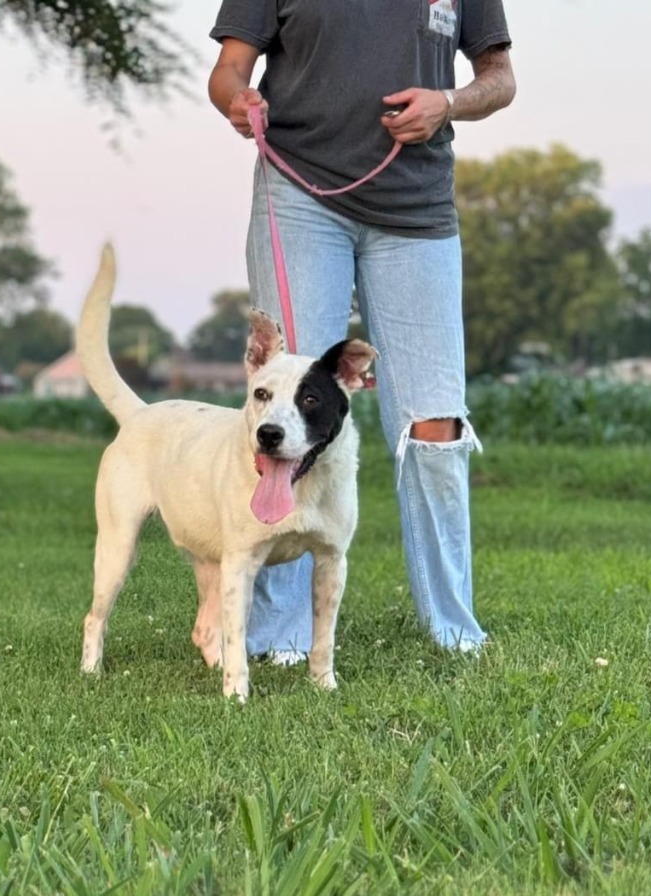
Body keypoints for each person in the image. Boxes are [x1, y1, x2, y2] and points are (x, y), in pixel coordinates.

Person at [208, 1, 516, 661]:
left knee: (437, 423)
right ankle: (277, 635)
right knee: (284, 405)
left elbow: (500, 78)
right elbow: (228, 71)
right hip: (297, 196)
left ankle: (453, 629)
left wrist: (448, 103)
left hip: (417, 210)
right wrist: (241, 102)